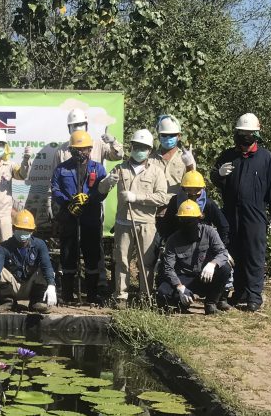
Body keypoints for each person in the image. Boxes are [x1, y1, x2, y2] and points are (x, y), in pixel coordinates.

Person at [210, 113, 271, 311]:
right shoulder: (228, 156)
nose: (245, 138)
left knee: (254, 255)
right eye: (241, 134)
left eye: (249, 134)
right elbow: (215, 179)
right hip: (231, 213)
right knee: (235, 254)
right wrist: (218, 174)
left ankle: (253, 297)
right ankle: (238, 293)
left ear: (256, 135)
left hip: (255, 214)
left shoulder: (265, 157)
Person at [98, 129, 168, 308]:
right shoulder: (120, 168)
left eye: (143, 147)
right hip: (123, 222)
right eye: (136, 146)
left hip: (146, 223)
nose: (139, 150)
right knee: (121, 260)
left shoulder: (157, 172)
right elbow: (101, 189)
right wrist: (109, 181)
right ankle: (121, 296)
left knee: (146, 262)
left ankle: (145, 296)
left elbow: (161, 197)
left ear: (150, 150)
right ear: (131, 147)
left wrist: (137, 197)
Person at [51, 130, 107, 305]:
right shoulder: (62, 168)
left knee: (92, 255)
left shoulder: (98, 168)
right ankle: (67, 295)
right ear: (71, 149)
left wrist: (89, 199)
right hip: (68, 218)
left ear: (90, 149)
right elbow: (55, 189)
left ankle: (91, 295)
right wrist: (69, 203)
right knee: (68, 254)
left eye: (83, 149)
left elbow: (103, 191)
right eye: (76, 148)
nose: (80, 152)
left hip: (90, 218)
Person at [157, 200, 232, 315]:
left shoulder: (209, 232)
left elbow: (223, 253)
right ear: (180, 220)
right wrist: (179, 287)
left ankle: (211, 303)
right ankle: (181, 302)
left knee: (225, 268)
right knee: (163, 292)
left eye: (191, 220)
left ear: (199, 219)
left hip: (205, 276)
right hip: (184, 278)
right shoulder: (173, 240)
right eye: (185, 220)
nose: (188, 224)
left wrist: (213, 264)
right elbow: (168, 268)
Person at [0, 209, 56, 313]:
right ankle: (7, 301)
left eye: (27, 230)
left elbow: (47, 266)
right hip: (12, 285)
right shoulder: (3, 247)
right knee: (0, 272)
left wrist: (51, 285)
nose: (23, 232)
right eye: (19, 228)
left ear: (32, 231)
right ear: (13, 228)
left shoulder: (40, 245)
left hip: (31, 284)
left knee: (45, 271)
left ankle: (37, 302)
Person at [156, 170, 229, 246]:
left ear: (202, 188)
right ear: (183, 188)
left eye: (197, 189)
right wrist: (168, 242)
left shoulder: (208, 204)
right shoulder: (176, 201)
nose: (193, 193)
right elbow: (167, 224)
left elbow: (223, 225)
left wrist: (221, 245)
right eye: (189, 189)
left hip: (202, 245)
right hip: (179, 244)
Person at [152, 114, 195, 198]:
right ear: (159, 136)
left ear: (179, 136)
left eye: (172, 135)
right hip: (155, 207)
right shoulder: (151, 160)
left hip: (178, 207)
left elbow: (192, 184)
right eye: (164, 135)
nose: (168, 138)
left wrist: (189, 166)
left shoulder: (186, 158)